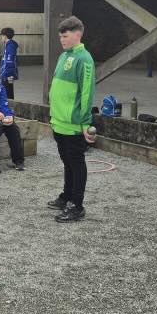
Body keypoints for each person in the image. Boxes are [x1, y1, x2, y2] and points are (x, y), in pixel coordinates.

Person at [46, 16, 97, 223]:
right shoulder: (63, 56)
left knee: (76, 163)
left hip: (74, 124)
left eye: (65, 36)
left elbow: (86, 93)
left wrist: (85, 122)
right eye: (60, 37)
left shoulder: (85, 59)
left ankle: (77, 205)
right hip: (59, 121)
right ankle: (66, 196)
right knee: (67, 162)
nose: (62, 40)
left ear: (78, 34)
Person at [0, 27, 19, 99]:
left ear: (5, 36)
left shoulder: (10, 46)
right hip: (7, 73)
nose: (1, 38)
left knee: (7, 92)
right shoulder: (8, 45)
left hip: (7, 74)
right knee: (8, 91)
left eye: (2, 36)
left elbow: (10, 61)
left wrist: (7, 74)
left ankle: (7, 107)